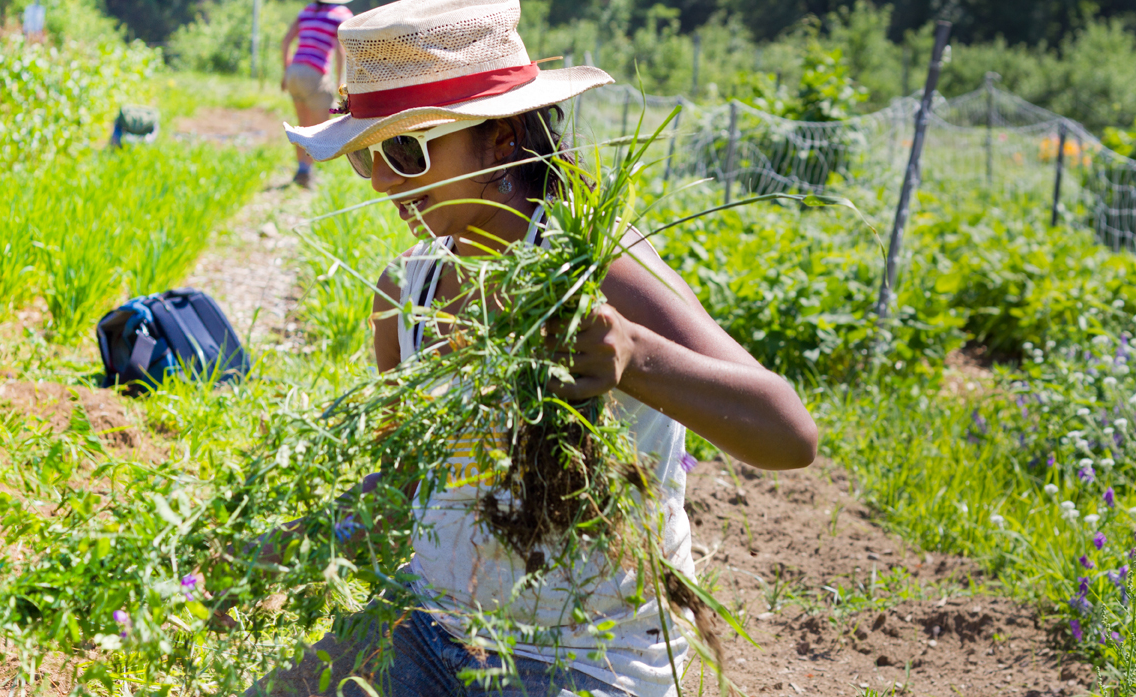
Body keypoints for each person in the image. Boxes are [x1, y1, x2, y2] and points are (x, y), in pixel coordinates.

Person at [257, 0, 819, 694]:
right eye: (366, 154)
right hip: (432, 626)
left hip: (584, 657)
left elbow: (789, 433)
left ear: (500, 139)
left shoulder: (597, 269)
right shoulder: (405, 292)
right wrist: (291, 543)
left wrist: (634, 357)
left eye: (406, 151)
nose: (380, 180)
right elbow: (409, 478)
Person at [280, 0, 352, 187]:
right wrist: (340, 84)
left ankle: (302, 169)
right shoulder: (340, 14)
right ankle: (306, 172)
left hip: (294, 71)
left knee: (302, 123)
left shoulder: (307, 10)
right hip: (315, 72)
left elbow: (286, 41)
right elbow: (341, 50)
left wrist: (285, 73)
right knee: (320, 127)